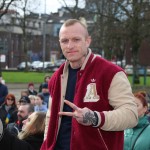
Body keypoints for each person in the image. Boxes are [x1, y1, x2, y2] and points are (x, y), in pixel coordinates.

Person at [41, 19, 138, 150]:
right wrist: (46, 143)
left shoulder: (111, 73)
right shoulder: (56, 77)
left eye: (76, 39)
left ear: (88, 41)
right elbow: (50, 117)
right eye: (65, 41)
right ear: (60, 43)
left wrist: (95, 118)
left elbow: (131, 115)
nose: (70, 46)